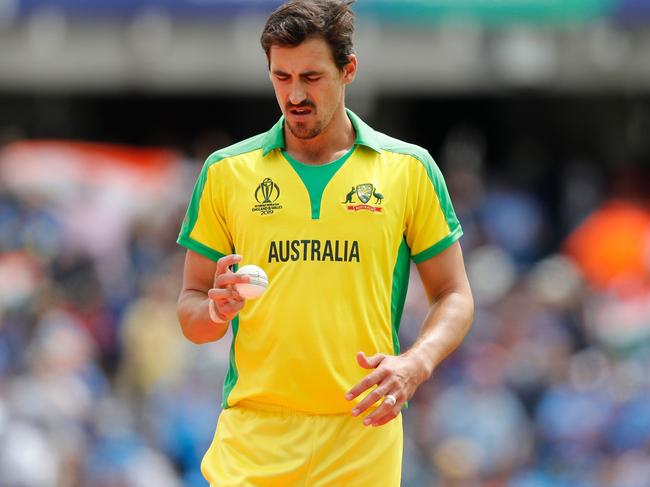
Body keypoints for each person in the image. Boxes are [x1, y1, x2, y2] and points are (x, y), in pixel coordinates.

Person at [176, 1, 474, 485]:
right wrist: (215, 310)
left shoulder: (409, 170)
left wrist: (414, 364)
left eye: (311, 77)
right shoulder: (226, 171)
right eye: (281, 77)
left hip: (362, 437)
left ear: (348, 70)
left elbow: (455, 295)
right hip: (254, 439)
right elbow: (190, 312)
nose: (294, 94)